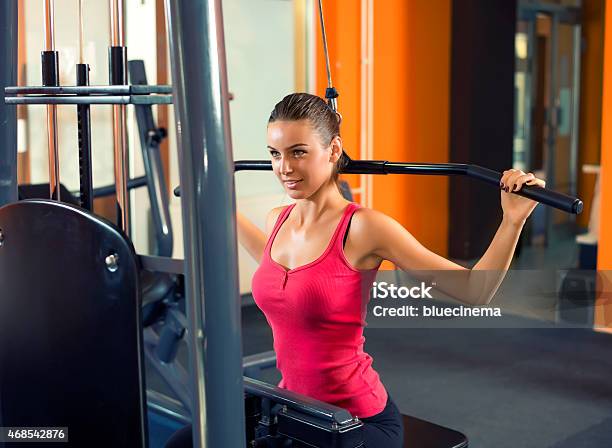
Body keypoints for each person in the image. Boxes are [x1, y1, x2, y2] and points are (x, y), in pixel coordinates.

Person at [167, 92, 544, 447]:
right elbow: (263, 254)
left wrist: (512, 220)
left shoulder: (363, 228)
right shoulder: (277, 220)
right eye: (275, 153)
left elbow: (473, 290)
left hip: (355, 421)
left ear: (333, 149)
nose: (284, 168)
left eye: (298, 152)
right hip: (295, 407)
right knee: (185, 442)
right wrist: (213, 194)